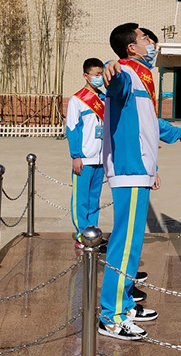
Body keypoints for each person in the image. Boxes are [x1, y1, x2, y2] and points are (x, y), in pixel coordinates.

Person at [97, 23, 181, 341]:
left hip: (139, 170)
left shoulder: (142, 77)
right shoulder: (126, 73)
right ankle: (111, 316)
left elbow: (148, 122)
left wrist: (179, 133)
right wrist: (111, 69)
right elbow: (113, 85)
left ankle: (125, 304)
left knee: (131, 244)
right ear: (131, 48)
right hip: (128, 170)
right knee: (124, 245)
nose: (152, 43)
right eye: (145, 39)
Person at [65, 58, 106, 249]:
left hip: (100, 158)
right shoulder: (77, 100)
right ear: (86, 75)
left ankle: (93, 232)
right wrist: (76, 156)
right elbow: (72, 129)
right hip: (84, 158)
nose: (99, 78)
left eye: (101, 74)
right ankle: (82, 233)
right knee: (80, 199)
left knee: (94, 200)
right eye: (96, 75)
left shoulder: (105, 99)